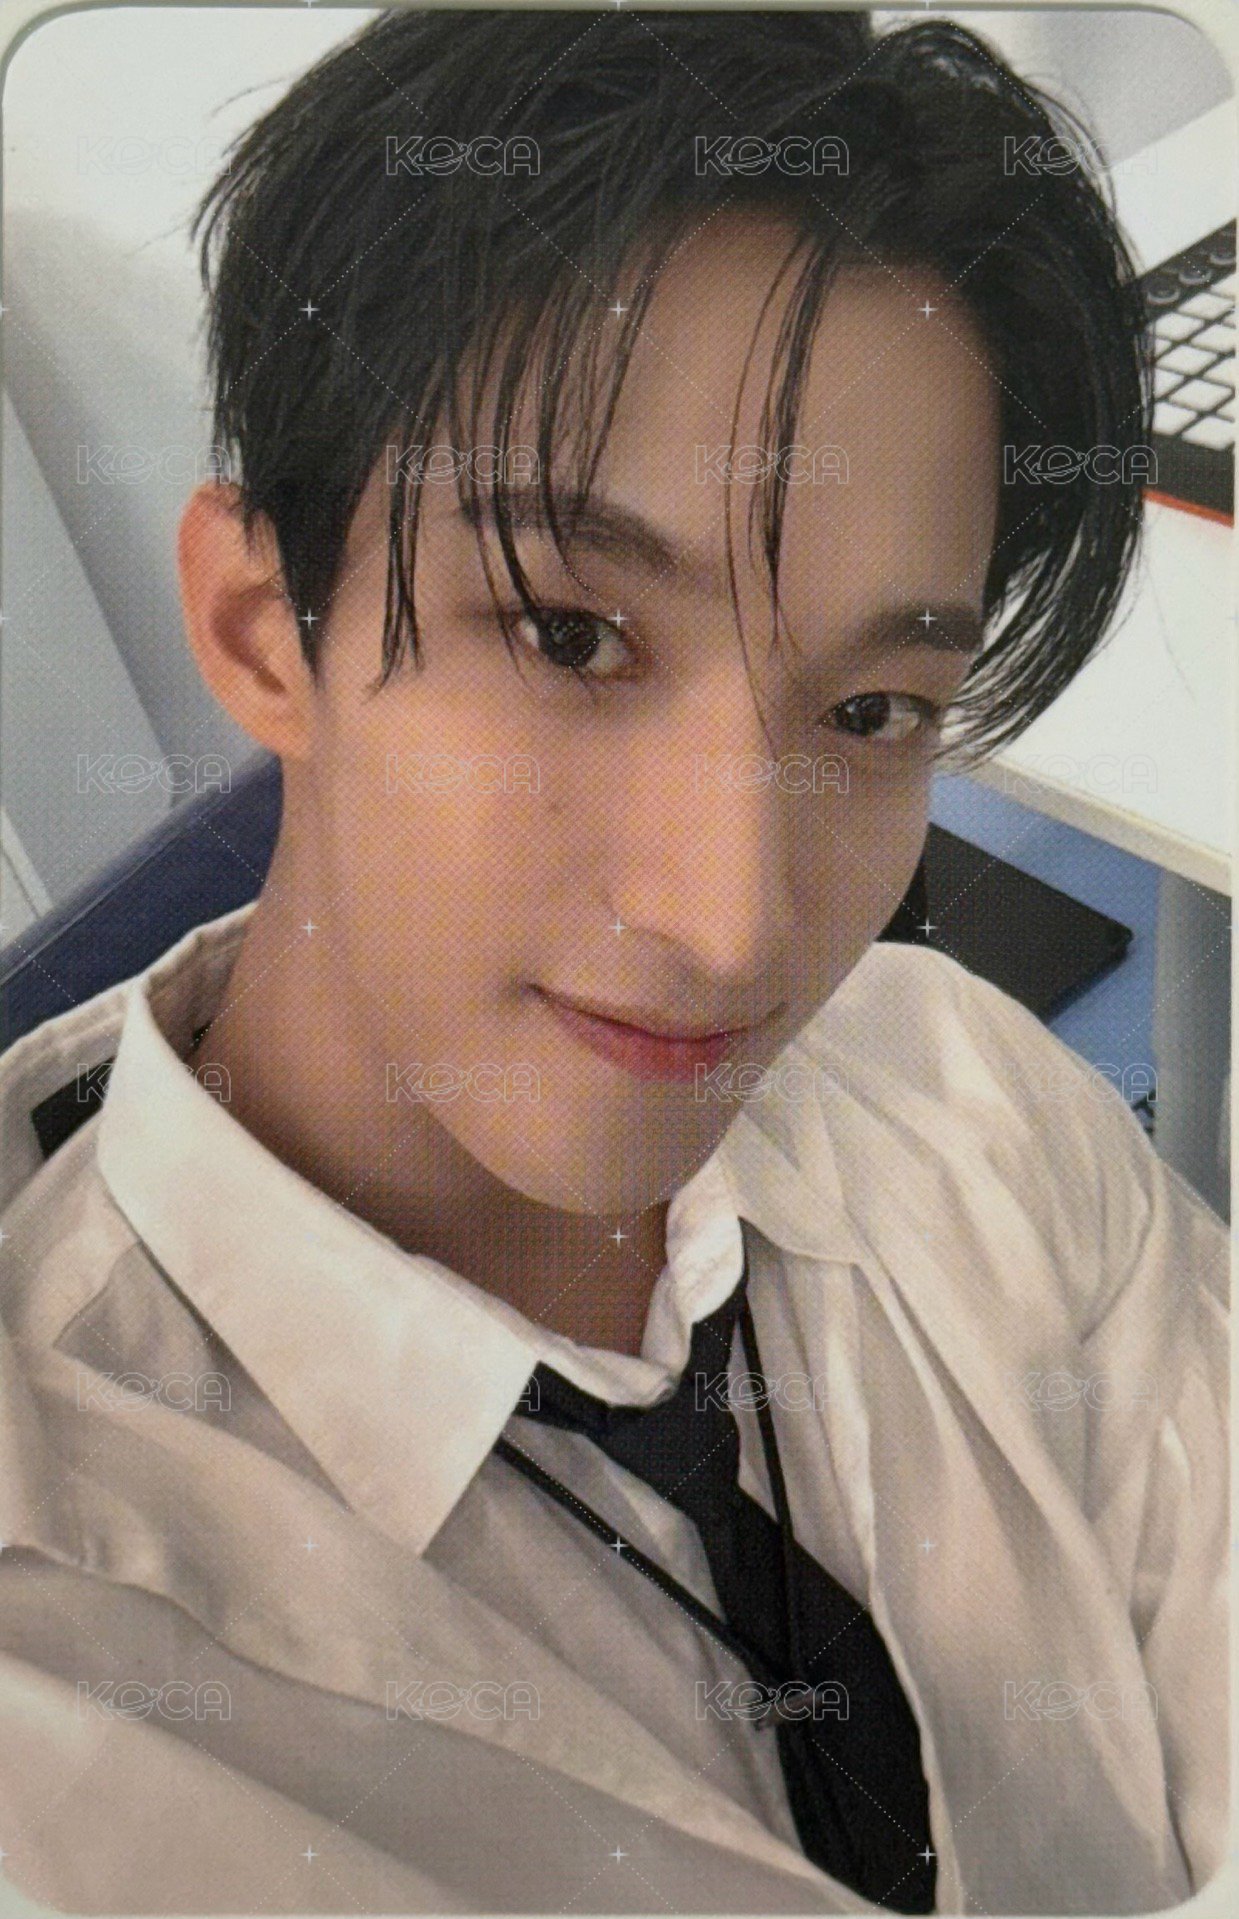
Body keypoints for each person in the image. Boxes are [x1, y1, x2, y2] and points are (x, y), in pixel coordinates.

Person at [0, 8, 1227, 1914]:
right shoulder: (67, 1687)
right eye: (570, 638)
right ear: (260, 629)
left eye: (874, 709)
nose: (733, 925)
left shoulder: (963, 1093)